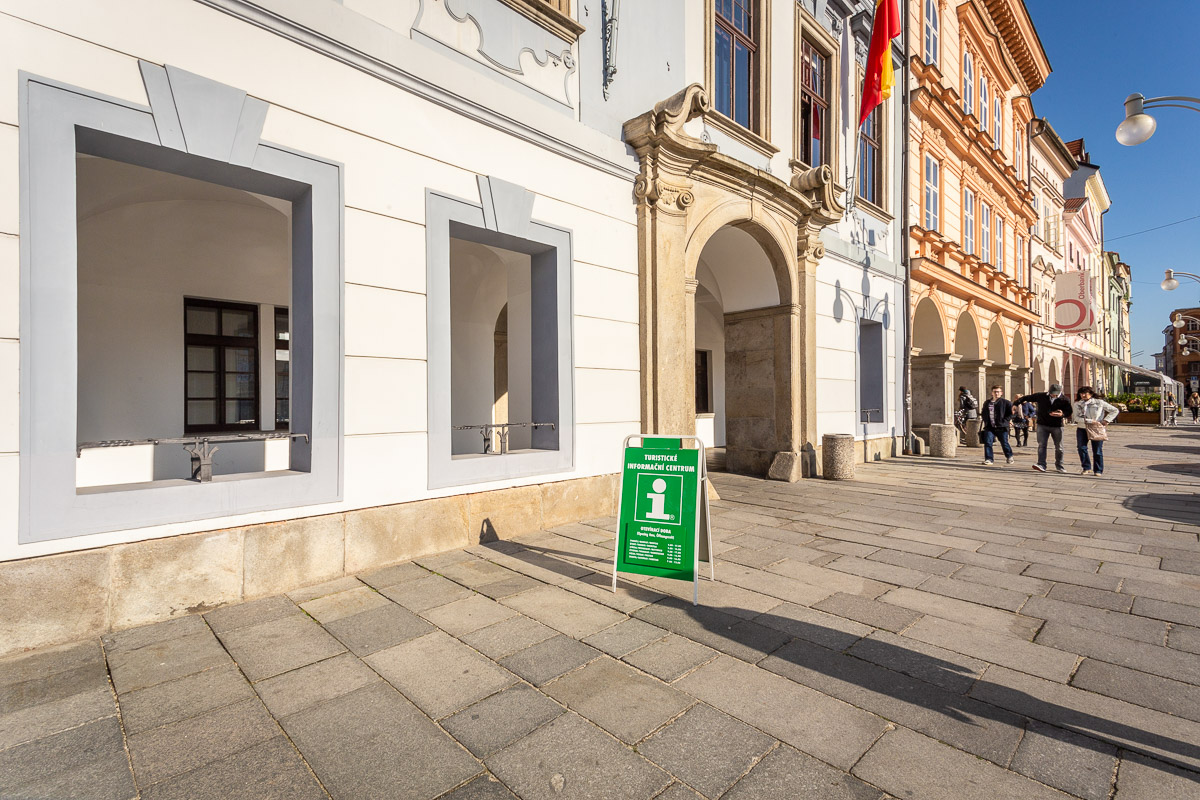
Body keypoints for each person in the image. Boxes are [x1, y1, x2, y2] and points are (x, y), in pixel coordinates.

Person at [1013, 384, 1073, 473]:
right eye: (1052, 393)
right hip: (1042, 424)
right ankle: (1041, 464)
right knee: (1041, 445)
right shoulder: (1041, 396)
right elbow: (1026, 398)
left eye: (1056, 394)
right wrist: (1015, 404)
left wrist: (1062, 414)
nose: (1053, 395)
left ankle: (1059, 465)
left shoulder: (1064, 400)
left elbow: (1069, 411)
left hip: (1057, 426)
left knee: (1059, 447)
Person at [1072, 386, 1119, 476]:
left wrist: (1106, 420)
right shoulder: (1078, 404)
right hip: (1082, 428)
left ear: (1091, 394)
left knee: (1097, 450)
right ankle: (1086, 467)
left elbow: (1114, 410)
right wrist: (1088, 421)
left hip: (1096, 428)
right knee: (1081, 448)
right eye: (1081, 393)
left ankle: (1098, 470)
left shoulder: (1099, 402)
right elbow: (1076, 417)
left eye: (1085, 393)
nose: (1083, 395)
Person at [979, 386, 1014, 465]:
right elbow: (984, 412)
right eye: (995, 392)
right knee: (988, 442)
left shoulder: (1006, 402)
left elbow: (1012, 413)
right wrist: (986, 420)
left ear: (1001, 393)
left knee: (1004, 442)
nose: (996, 393)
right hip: (989, 426)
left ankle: (1009, 456)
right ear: (992, 393)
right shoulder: (987, 403)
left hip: (1001, 426)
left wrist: (1005, 420)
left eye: (998, 392)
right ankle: (989, 459)